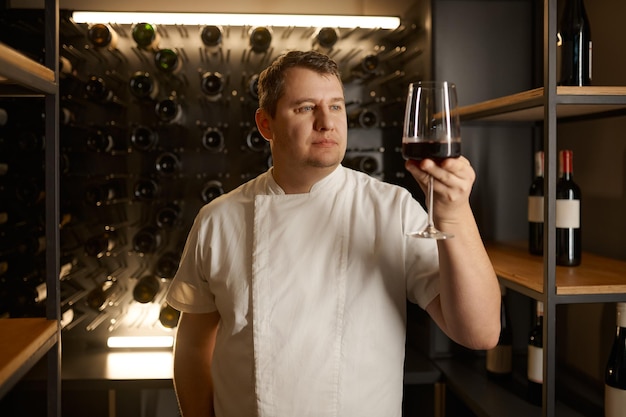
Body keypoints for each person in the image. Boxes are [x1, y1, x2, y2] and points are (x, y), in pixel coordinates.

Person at [165, 50, 500, 417]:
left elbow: (479, 332)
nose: (326, 122)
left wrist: (455, 213)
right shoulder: (218, 219)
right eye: (306, 107)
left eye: (336, 106)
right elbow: (195, 346)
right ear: (266, 125)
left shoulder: (391, 208)